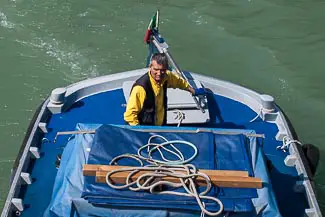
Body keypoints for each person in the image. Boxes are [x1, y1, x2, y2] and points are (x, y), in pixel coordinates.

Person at [124, 53, 206, 126]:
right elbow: (130, 116)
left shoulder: (167, 77)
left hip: (160, 125)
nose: (159, 74)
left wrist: (193, 91)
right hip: (145, 128)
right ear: (150, 67)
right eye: (155, 69)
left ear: (166, 69)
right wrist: (140, 134)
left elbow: (179, 82)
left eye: (162, 70)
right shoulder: (140, 88)